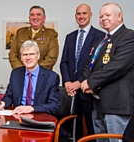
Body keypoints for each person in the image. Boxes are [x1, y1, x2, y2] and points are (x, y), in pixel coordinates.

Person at [81, 3, 134, 142]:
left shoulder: (129, 36)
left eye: (108, 15)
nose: (103, 18)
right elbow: (89, 64)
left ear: (119, 16)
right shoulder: (101, 40)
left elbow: (116, 67)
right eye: (101, 16)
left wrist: (90, 82)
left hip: (116, 106)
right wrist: (85, 81)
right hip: (98, 104)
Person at [60, 4, 105, 140]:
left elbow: (98, 65)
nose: (81, 16)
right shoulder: (70, 37)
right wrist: (67, 82)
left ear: (90, 15)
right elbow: (64, 62)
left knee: (91, 128)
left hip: (88, 89)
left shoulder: (100, 36)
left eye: (84, 13)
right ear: (75, 16)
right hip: (71, 92)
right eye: (78, 14)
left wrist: (79, 82)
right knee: (73, 127)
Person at [0, 40, 60, 115]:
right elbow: (9, 96)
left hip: (40, 118)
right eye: (25, 55)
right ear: (21, 57)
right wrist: (3, 103)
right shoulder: (15, 74)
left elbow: (54, 106)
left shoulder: (51, 77)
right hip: (18, 117)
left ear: (38, 56)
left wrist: (32, 108)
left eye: (31, 54)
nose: (28, 58)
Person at [9, 5, 59, 70]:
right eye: (32, 15)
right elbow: (12, 54)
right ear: (29, 18)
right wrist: (22, 70)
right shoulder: (20, 32)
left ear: (44, 18)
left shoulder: (51, 34)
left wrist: (35, 70)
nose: (35, 17)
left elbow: (52, 58)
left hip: (42, 75)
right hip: (21, 75)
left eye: (38, 15)